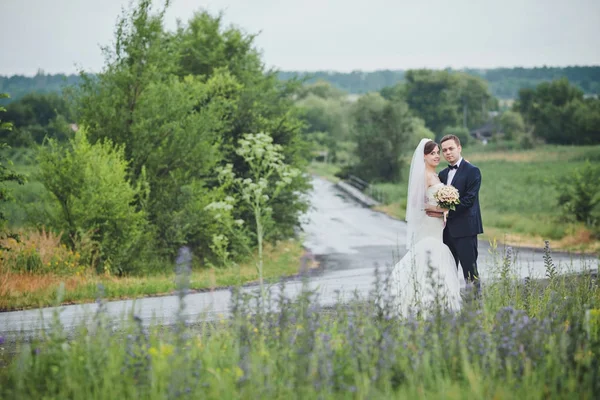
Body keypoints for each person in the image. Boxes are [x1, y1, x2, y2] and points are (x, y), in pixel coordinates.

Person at [384, 138, 461, 316]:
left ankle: (439, 300)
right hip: (428, 224)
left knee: (437, 257)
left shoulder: (437, 175)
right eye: (432, 153)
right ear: (424, 156)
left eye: (437, 153)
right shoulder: (424, 176)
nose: (436, 156)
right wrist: (441, 208)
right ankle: (419, 298)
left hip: (438, 225)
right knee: (426, 256)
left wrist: (445, 208)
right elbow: (416, 204)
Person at [429, 134, 483, 291]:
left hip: (466, 230)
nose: (448, 152)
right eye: (444, 150)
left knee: (470, 273)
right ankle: (451, 306)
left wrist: (445, 211)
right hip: (446, 232)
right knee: (448, 271)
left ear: (459, 148)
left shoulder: (473, 171)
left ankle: (475, 307)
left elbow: (468, 201)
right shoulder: (443, 174)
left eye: (451, 148)